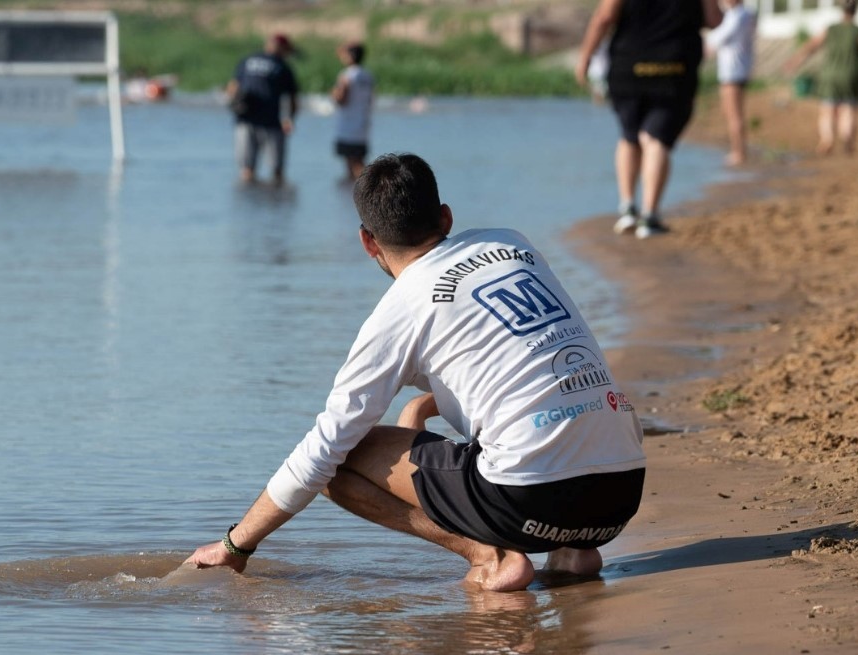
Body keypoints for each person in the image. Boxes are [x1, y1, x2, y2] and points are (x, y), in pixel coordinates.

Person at [186, 153, 647, 593]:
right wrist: (421, 406)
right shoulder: (512, 244)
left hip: (529, 502)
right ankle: (573, 552)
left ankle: (491, 558)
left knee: (337, 461)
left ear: (368, 242)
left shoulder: (402, 307)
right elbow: (511, 363)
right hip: (618, 497)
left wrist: (236, 544)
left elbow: (324, 449)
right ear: (446, 218)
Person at [577, 0, 724, 239]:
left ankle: (627, 208)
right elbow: (714, 20)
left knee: (629, 136)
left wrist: (585, 56)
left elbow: (603, 18)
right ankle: (650, 216)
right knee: (656, 140)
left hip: (628, 67)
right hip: (675, 70)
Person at [785, 0, 858, 156]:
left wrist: (795, 61)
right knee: (849, 109)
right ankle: (847, 140)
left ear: (842, 10)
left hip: (830, 75)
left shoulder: (830, 29)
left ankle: (827, 139)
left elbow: (812, 46)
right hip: (852, 75)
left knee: (828, 110)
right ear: (856, 11)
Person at [226, 33, 301, 185]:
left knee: (247, 171)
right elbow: (292, 98)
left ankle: (250, 198)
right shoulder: (282, 67)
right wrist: (290, 119)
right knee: (277, 171)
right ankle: (273, 198)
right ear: (283, 48)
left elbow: (232, 88)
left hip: (245, 119)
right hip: (271, 122)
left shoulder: (248, 60)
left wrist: (233, 106)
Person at [706, 0, 757, 166]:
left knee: (734, 115)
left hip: (733, 71)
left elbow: (718, 37)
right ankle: (738, 150)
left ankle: (739, 152)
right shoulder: (743, 15)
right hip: (737, 70)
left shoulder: (738, 16)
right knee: (732, 114)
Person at [330, 42, 376, 181]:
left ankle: (366, 186)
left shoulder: (347, 75)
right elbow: (370, 100)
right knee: (359, 159)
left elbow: (341, 99)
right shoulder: (367, 75)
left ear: (350, 56)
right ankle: (359, 186)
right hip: (362, 123)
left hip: (348, 125)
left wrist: (334, 93)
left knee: (352, 163)